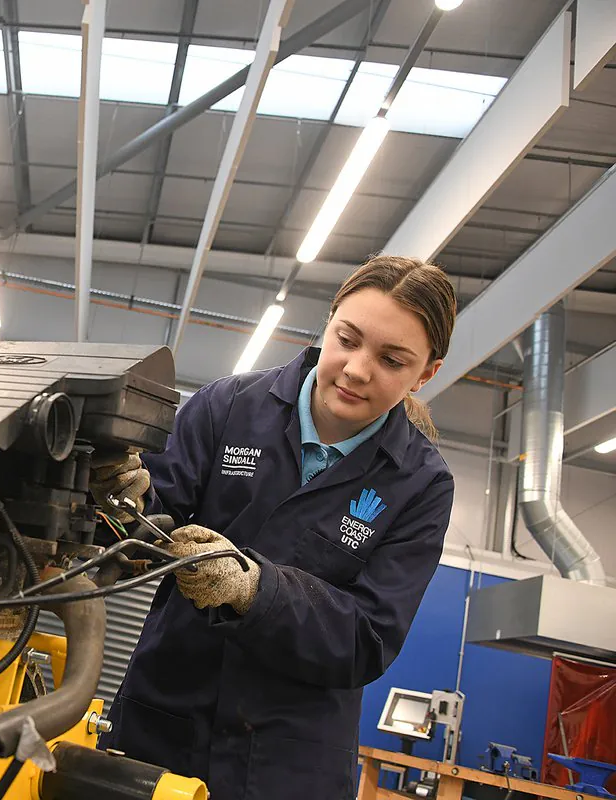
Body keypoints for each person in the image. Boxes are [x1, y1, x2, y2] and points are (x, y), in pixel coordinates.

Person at [96, 256, 458, 800]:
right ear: (329, 322)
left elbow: (367, 638)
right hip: (162, 726)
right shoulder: (228, 407)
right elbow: (143, 526)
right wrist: (119, 494)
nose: (357, 370)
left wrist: (254, 588)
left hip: (289, 765)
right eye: (347, 339)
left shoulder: (421, 485)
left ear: (426, 373)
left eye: (391, 360)